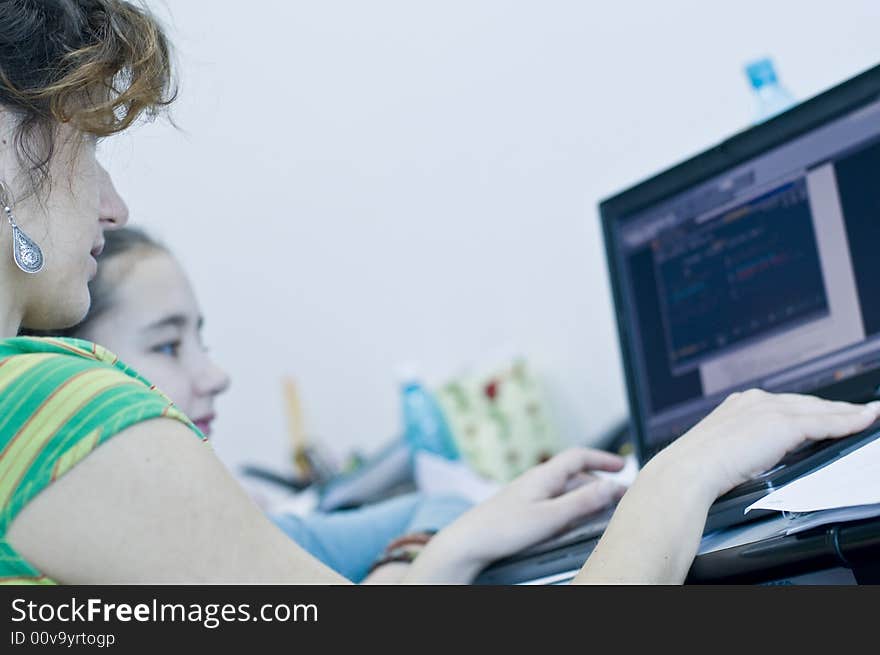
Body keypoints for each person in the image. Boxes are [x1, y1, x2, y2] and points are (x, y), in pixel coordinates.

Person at [1, 0, 877, 586]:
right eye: (91, 149)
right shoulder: (45, 401)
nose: (114, 205)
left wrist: (456, 544)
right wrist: (684, 469)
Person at [28, 226, 477, 582]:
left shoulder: (220, 530)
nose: (217, 376)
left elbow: (444, 504)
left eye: (200, 341)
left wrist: (394, 566)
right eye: (168, 346)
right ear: (75, 372)